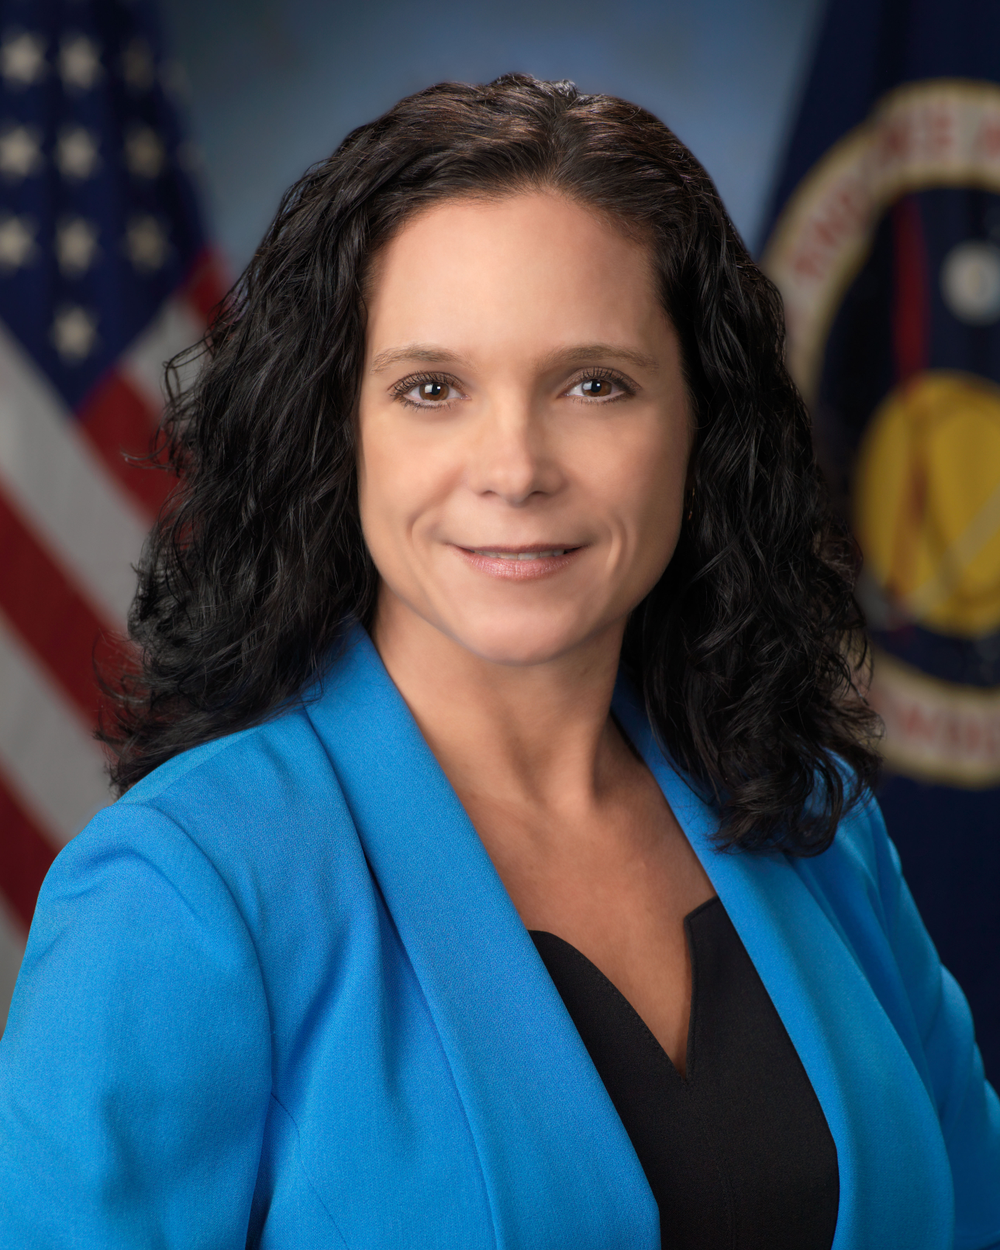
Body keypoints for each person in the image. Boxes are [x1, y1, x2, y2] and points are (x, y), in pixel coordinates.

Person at [0, 74, 997, 1249]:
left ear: (699, 423)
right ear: (341, 432)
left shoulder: (815, 820)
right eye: (433, 388)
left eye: (593, 383)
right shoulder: (181, 892)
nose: (514, 466)